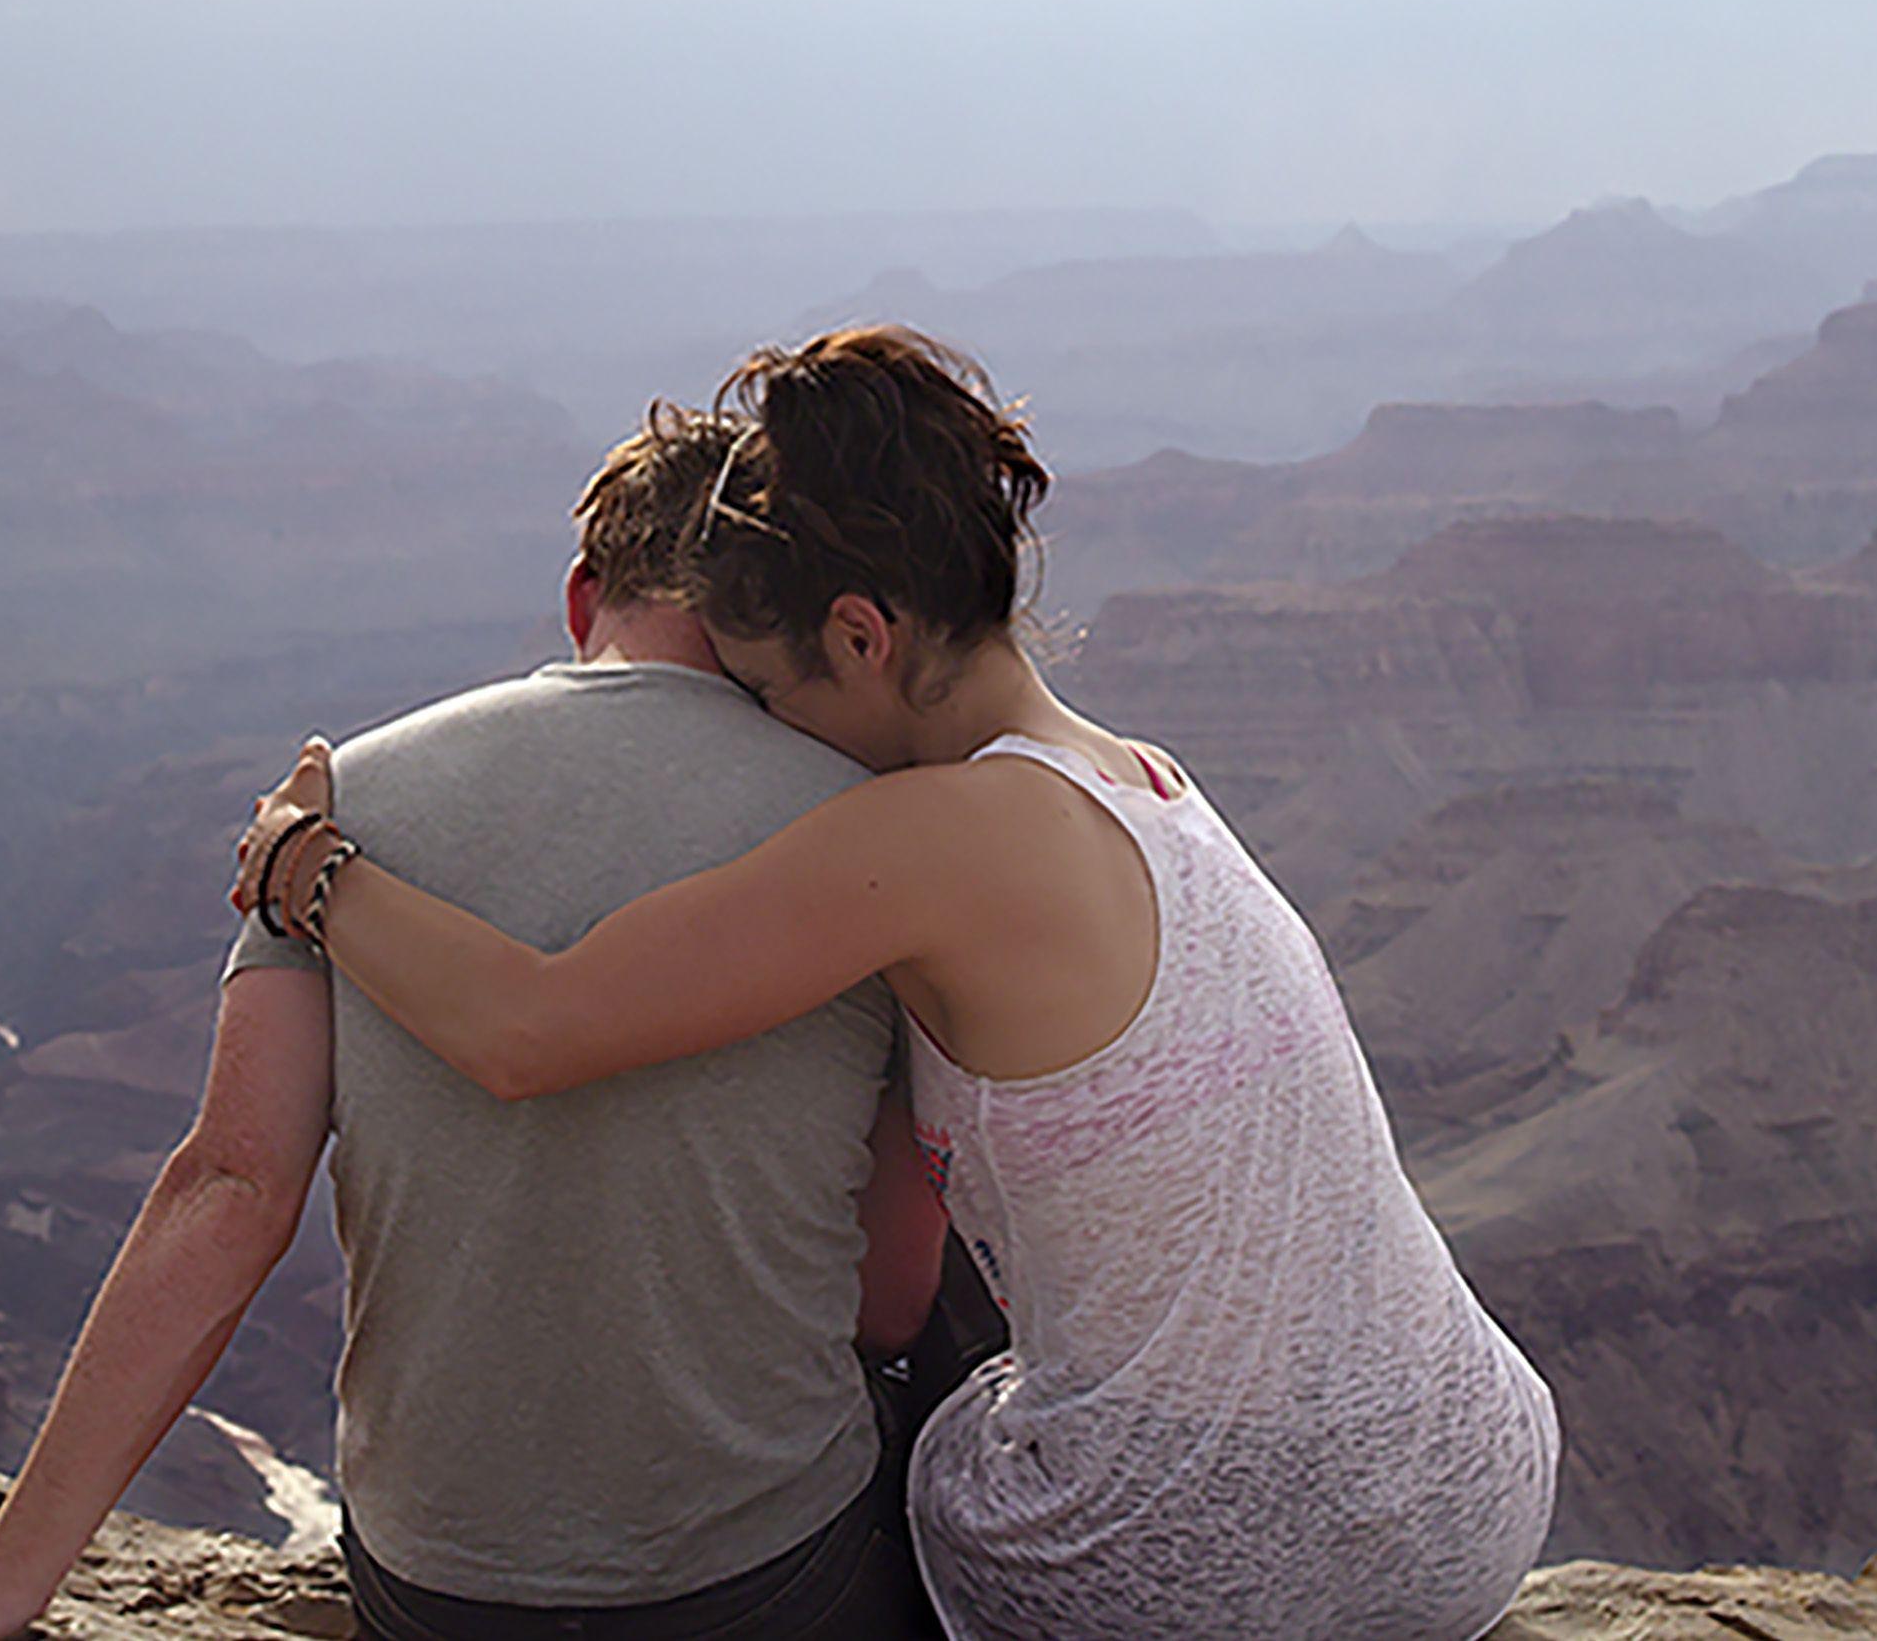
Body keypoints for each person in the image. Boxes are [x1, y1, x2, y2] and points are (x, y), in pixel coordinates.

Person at [230, 325, 1561, 1641]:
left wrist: (312, 868)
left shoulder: (934, 840)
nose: (768, 734)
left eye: (765, 688)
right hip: (1467, 1491)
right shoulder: (1147, 781)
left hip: (1196, 1561)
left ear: (861, 635)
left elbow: (529, 1026)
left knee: (832, 1451)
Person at [0, 404, 951, 1641]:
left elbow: (230, 1187)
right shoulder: (875, 839)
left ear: (584, 597)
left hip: (442, 1582)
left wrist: (9, 1567)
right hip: (767, 1573)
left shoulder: (340, 806)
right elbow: (888, 1298)